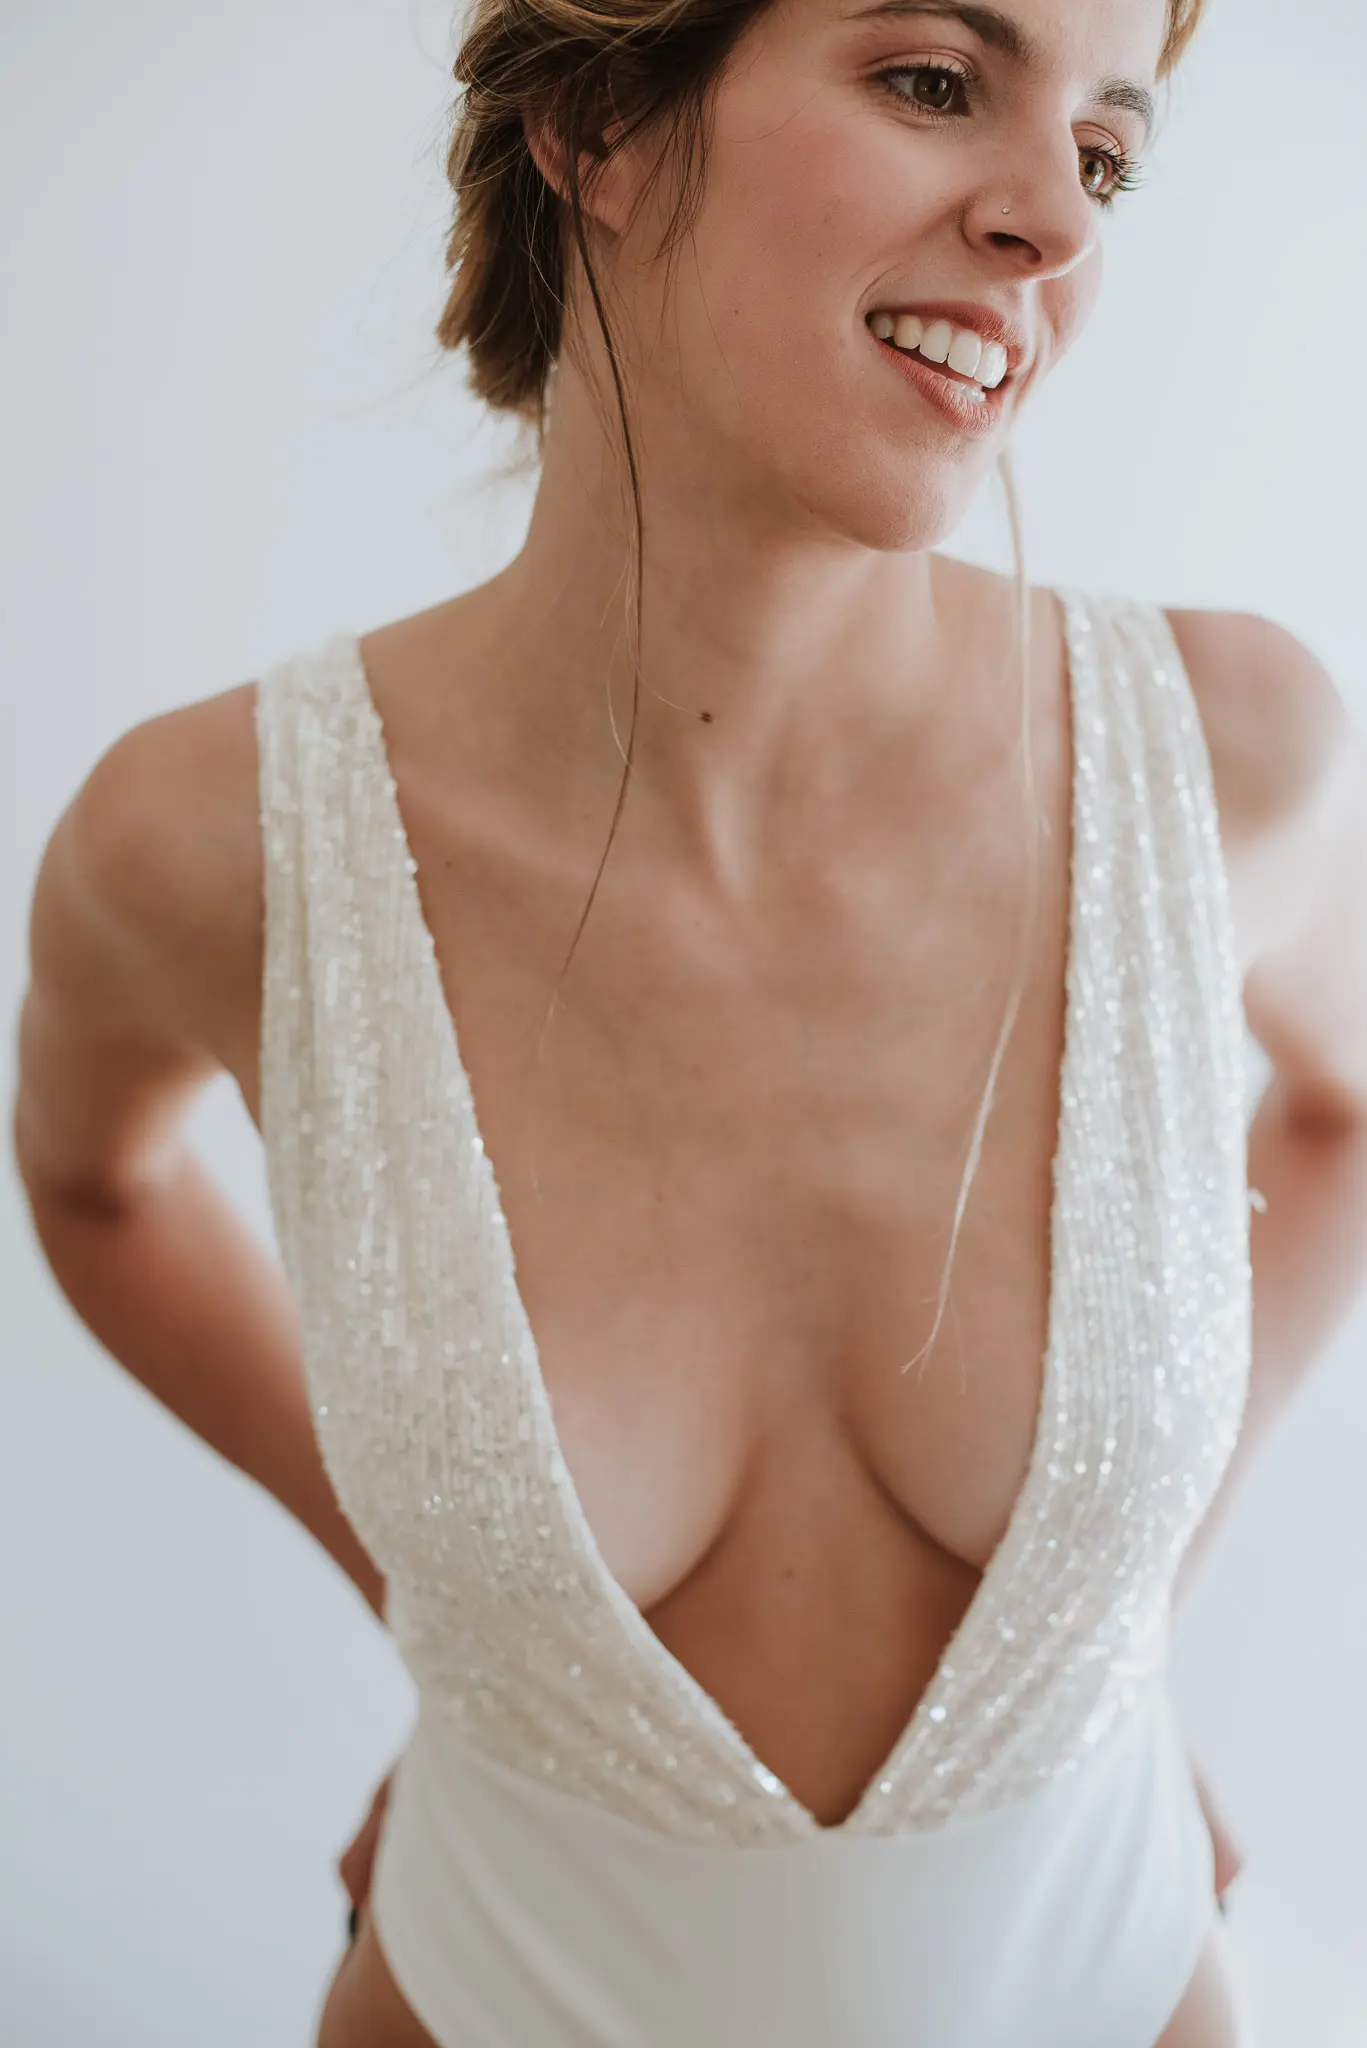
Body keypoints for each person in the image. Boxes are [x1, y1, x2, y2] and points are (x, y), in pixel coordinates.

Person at [14, 0, 1367, 2039]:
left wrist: (1108, 1627)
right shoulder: (212, 845)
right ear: (593, 122)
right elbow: (93, 1184)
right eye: (933, 83)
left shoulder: (1228, 757)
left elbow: (1342, 1110)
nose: (1056, 224)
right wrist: (471, 1624)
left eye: (1102, 156)